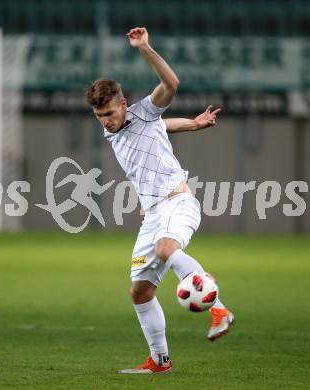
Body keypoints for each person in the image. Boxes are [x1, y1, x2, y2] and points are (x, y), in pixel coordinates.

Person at [85, 27, 234, 374]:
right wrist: (194, 125)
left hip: (177, 202)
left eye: (110, 113)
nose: (106, 122)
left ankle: (219, 308)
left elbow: (171, 86)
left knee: (168, 248)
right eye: (99, 117)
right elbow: (163, 127)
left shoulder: (141, 111)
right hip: (152, 214)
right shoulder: (119, 128)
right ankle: (159, 360)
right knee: (139, 291)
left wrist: (146, 48)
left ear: (123, 104)